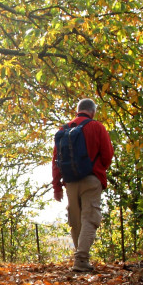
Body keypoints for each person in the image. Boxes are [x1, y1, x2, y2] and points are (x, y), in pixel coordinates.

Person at [52, 99, 115, 273]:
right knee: (90, 217)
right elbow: (108, 155)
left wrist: (57, 187)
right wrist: (98, 169)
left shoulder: (63, 130)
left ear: (77, 110)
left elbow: (56, 161)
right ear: (92, 112)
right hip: (92, 179)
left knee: (76, 220)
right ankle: (81, 259)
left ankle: (79, 258)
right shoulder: (97, 127)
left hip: (70, 182)